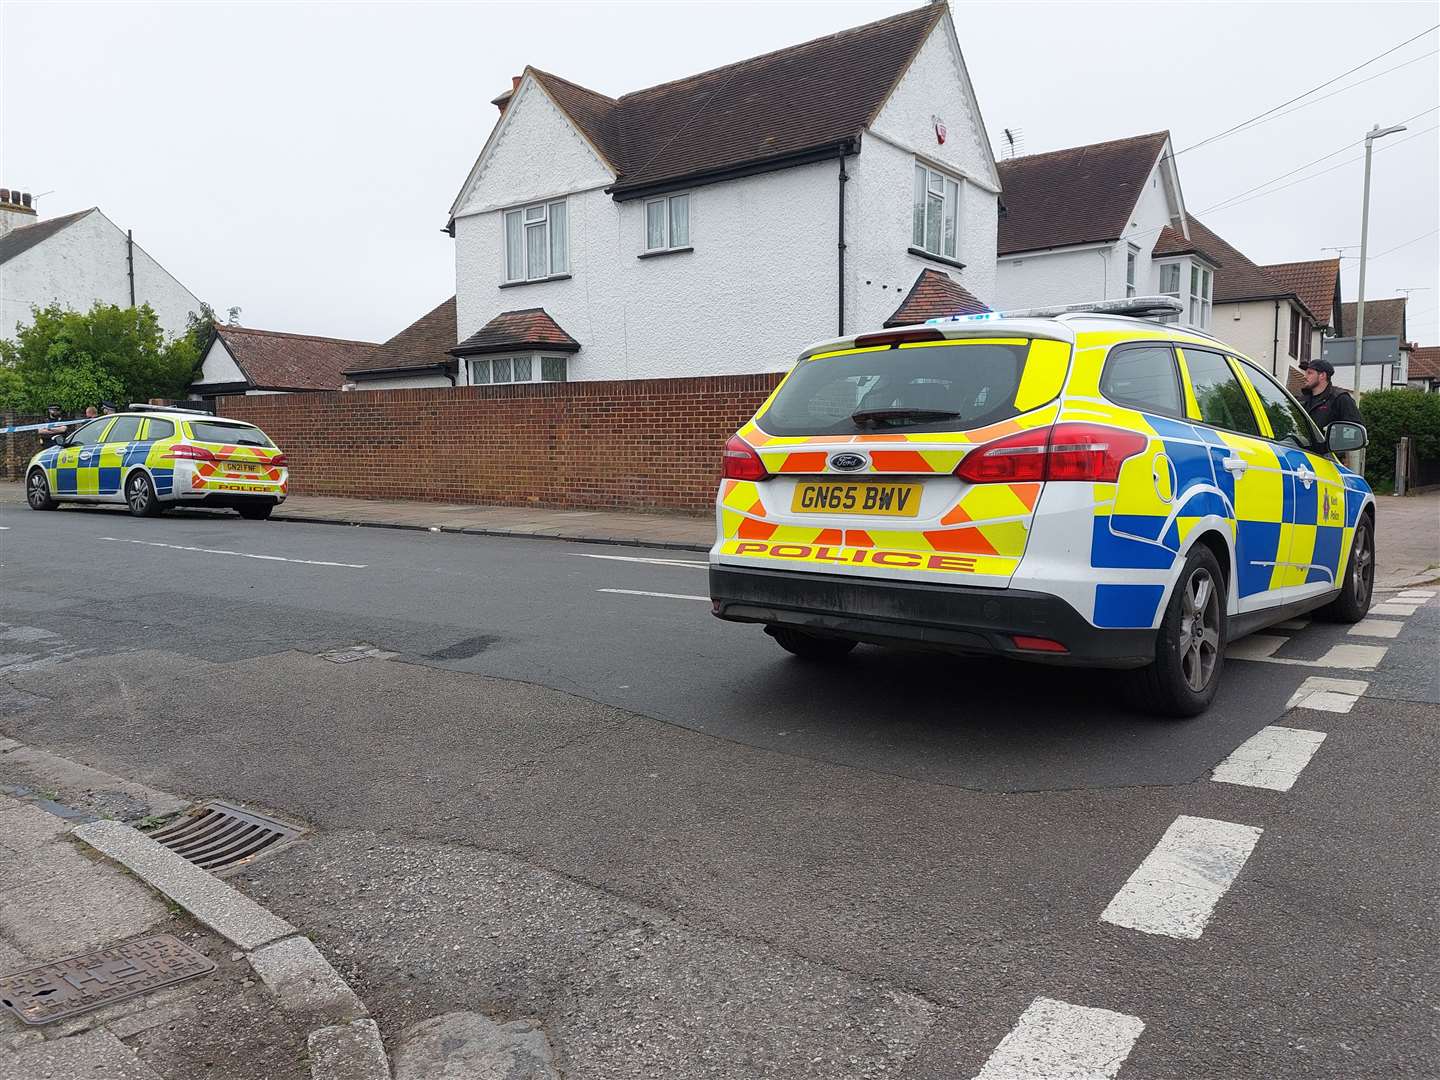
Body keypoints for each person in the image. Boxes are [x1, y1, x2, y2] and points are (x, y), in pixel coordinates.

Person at [1298, 358, 1361, 430]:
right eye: (1305, 373)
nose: (1305, 376)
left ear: (1322, 375)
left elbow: (1355, 429)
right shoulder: (1301, 400)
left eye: (1309, 373)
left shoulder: (1340, 399)